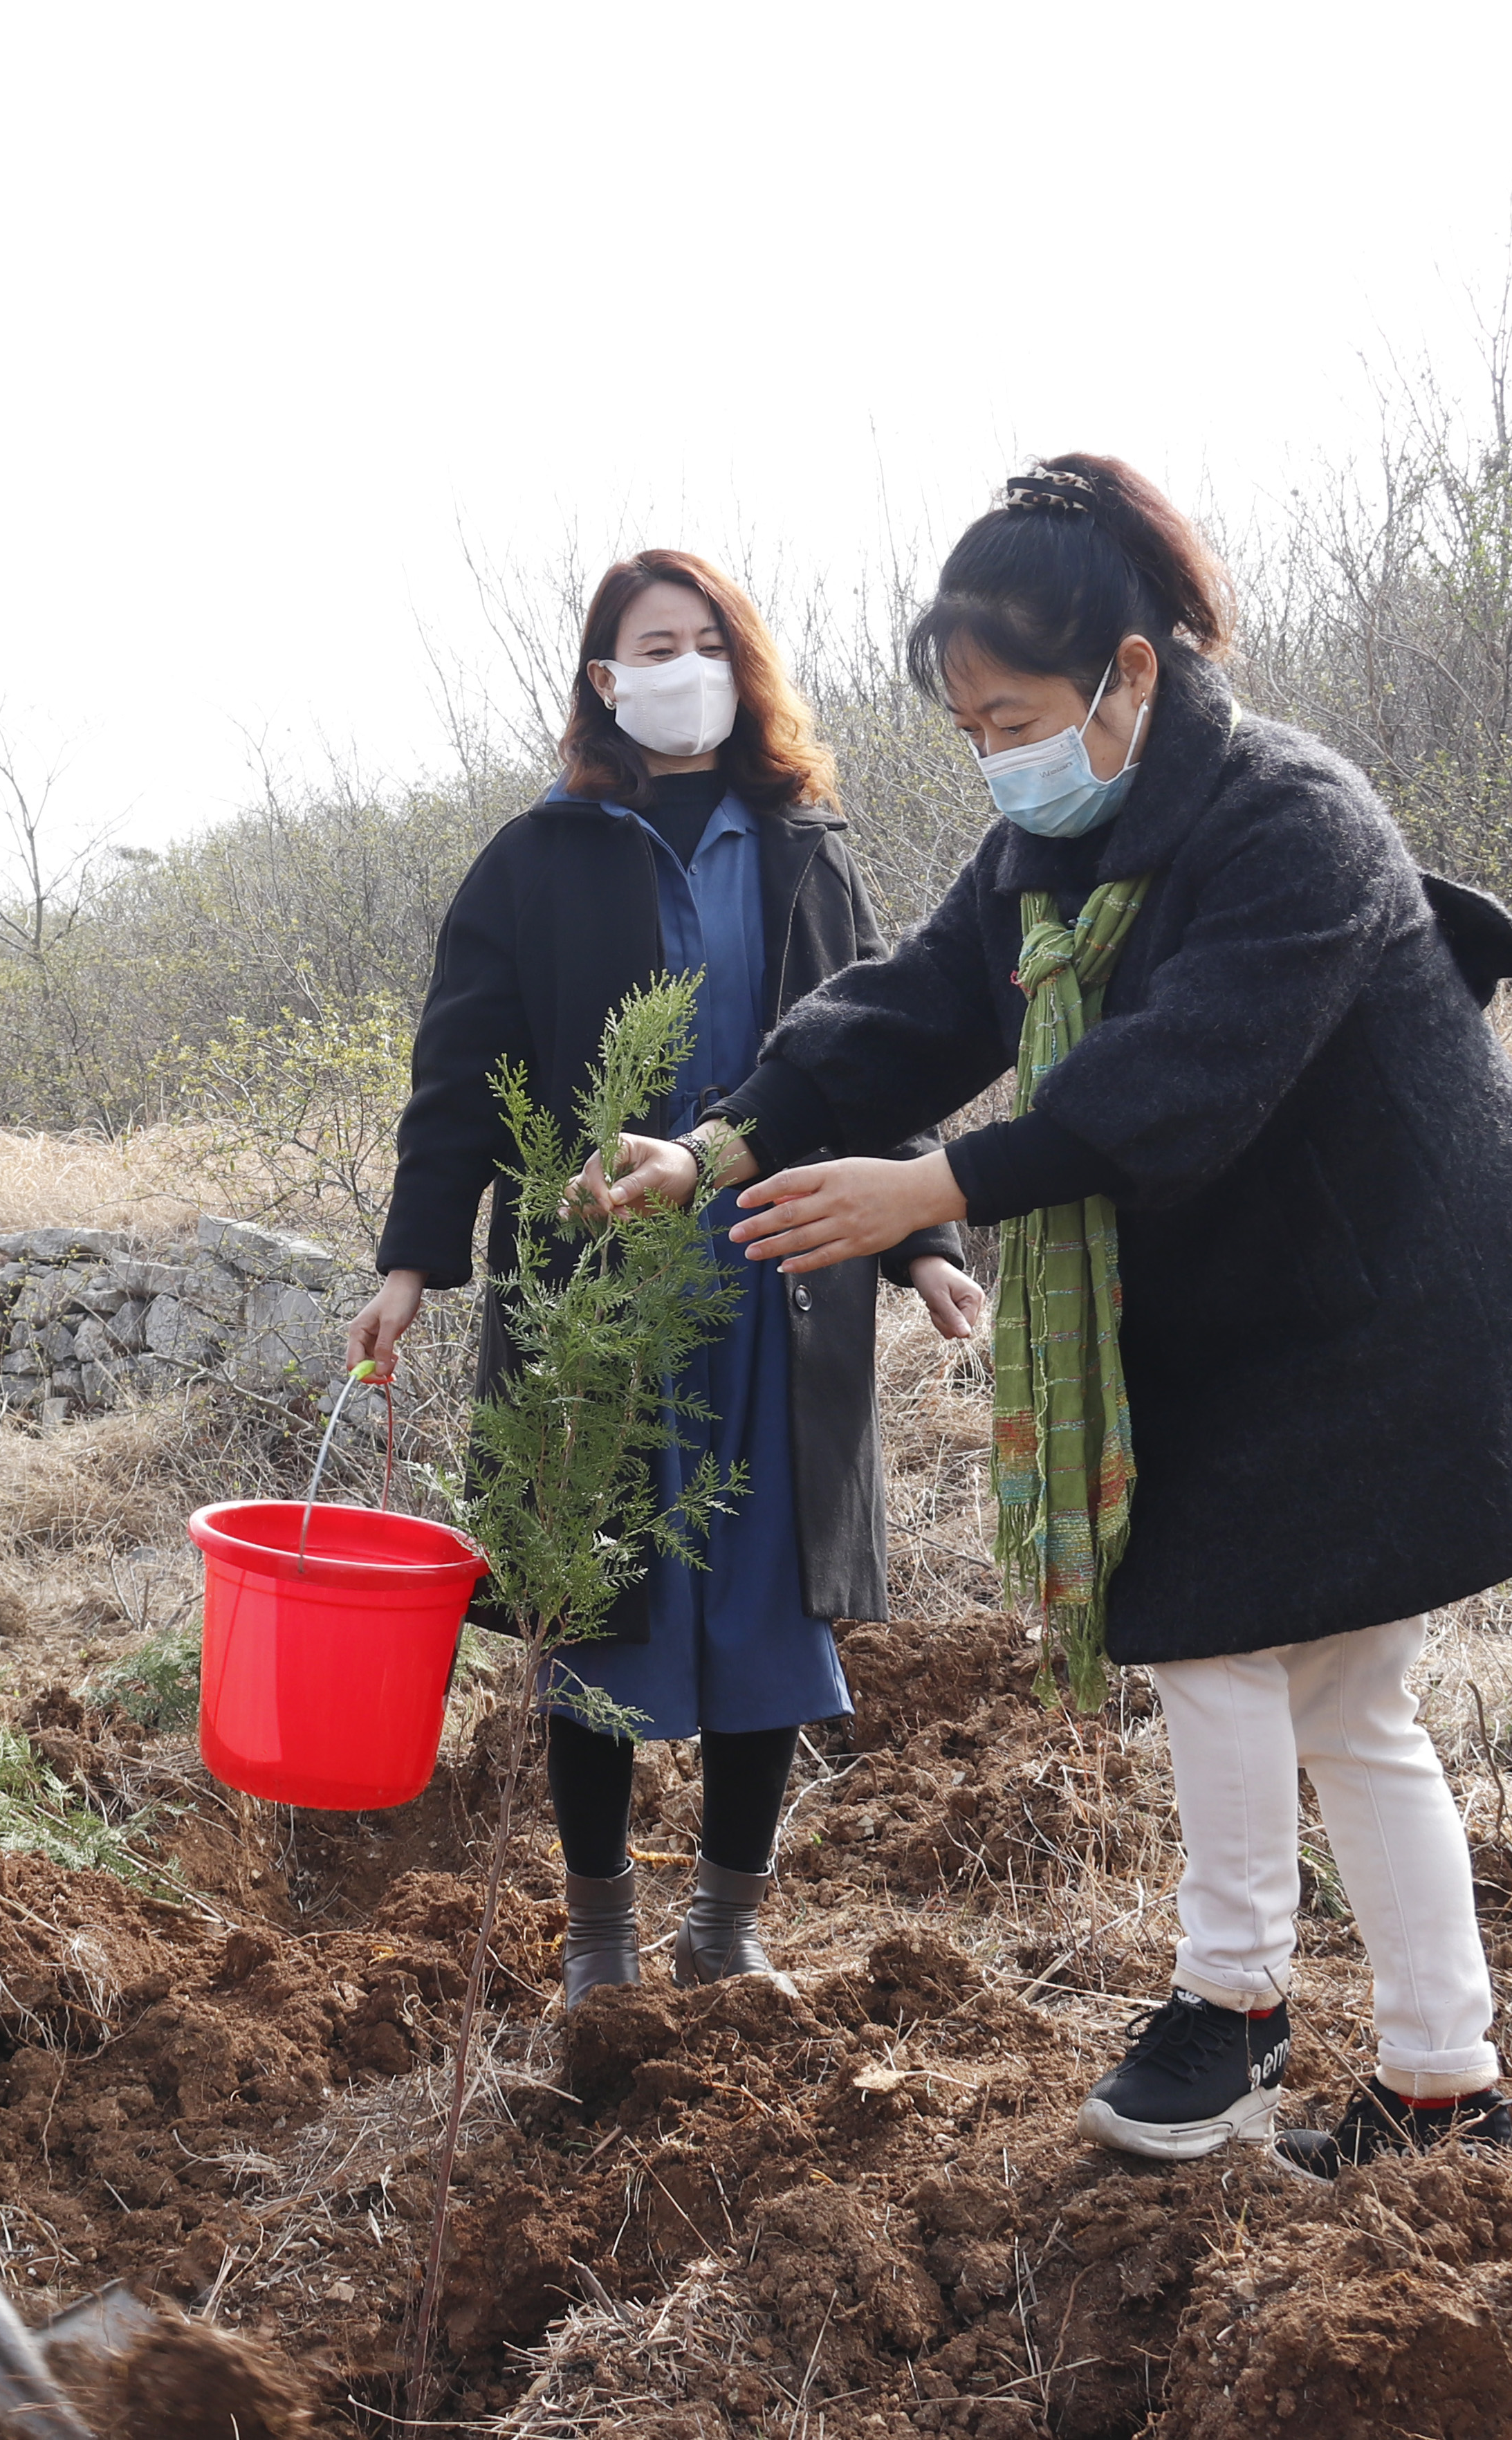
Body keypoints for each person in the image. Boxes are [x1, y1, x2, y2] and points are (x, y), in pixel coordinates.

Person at [597, 459, 1512, 2172]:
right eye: (966, 730)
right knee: (1336, 1698)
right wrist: (725, 1134)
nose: (994, 757)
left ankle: (1234, 2001)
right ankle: (1442, 2087)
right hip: (1253, 1316)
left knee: (1205, 1629)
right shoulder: (1054, 835)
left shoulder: (1288, 820)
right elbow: (915, 1006)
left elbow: (1181, 1079)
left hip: (1393, 1310)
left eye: (1012, 713)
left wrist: (937, 1190)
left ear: (1133, 674)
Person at [350, 549, 989, 2006]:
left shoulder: (807, 849)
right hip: (592, 1293)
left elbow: (879, 1055)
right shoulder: (537, 860)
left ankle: (723, 1925)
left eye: (707, 640)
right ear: (604, 678)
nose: (682, 664)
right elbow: (461, 1082)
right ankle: (600, 1941)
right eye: (654, 644)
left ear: (740, 663)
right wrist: (410, 1265)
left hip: (778, 1278)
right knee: (596, 1600)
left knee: (767, 1595)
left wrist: (929, 1244)